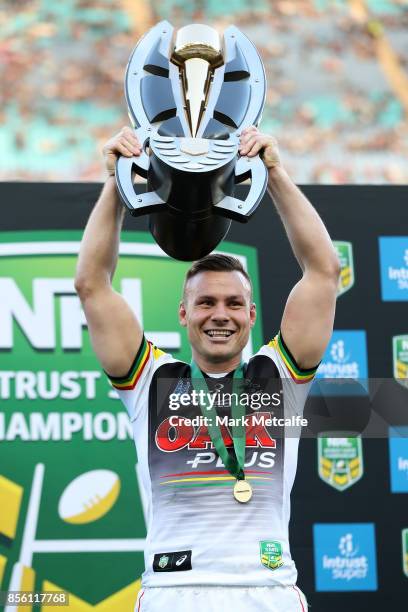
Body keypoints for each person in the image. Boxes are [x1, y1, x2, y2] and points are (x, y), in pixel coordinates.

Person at [75, 125, 340, 611]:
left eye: (234, 303)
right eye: (206, 302)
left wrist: (275, 173)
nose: (221, 314)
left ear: (252, 313)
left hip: (268, 591)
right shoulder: (150, 381)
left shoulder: (279, 376)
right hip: (174, 592)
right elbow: (92, 284)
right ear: (183, 313)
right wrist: (116, 180)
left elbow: (323, 272)